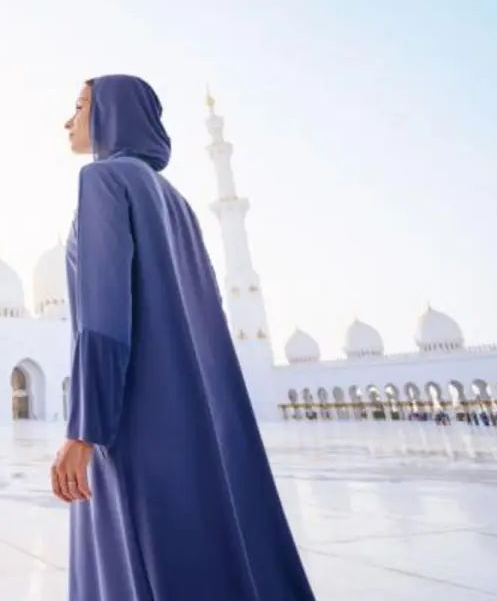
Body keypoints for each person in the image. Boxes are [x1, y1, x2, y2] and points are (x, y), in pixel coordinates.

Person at [51, 75, 314, 600]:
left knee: (138, 557)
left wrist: (85, 430)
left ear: (111, 115)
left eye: (80, 106)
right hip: (193, 416)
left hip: (132, 418)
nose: (68, 120)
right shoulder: (172, 198)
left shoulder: (102, 181)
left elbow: (102, 318)